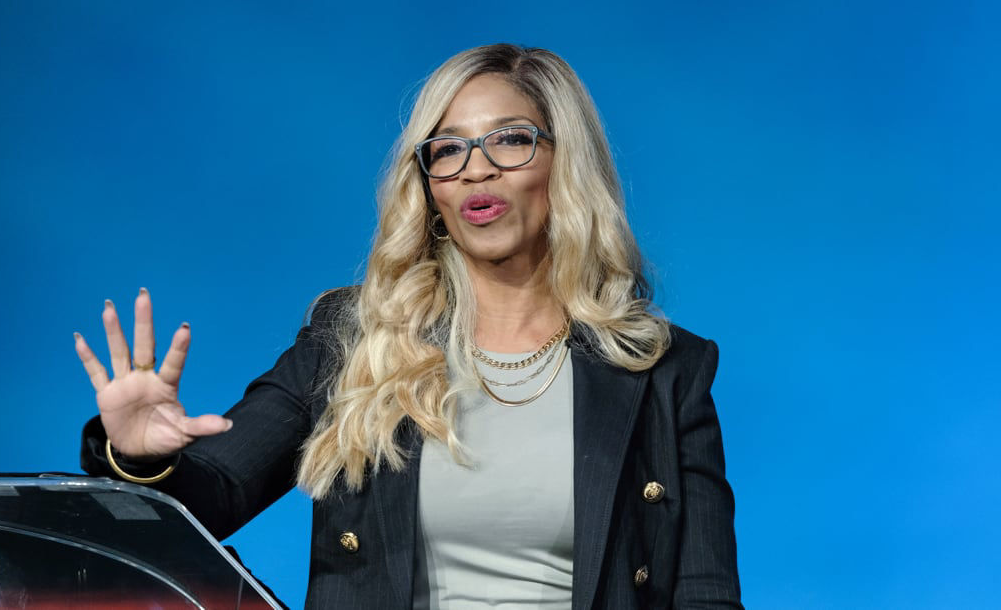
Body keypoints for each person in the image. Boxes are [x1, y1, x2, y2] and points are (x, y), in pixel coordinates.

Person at [74, 44, 742, 609]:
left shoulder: (664, 370)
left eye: (510, 139)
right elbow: (204, 505)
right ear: (430, 188)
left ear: (564, 163)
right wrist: (138, 455)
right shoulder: (353, 340)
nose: (476, 167)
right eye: (447, 149)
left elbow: (707, 593)